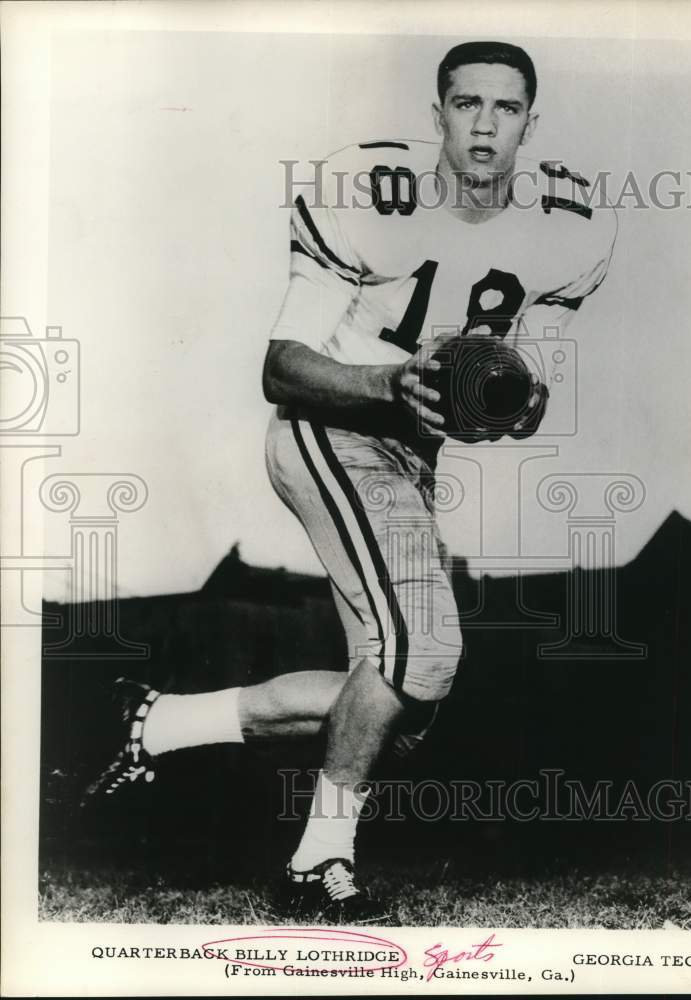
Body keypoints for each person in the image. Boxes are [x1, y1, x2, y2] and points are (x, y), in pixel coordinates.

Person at [85, 40, 617, 924]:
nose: (484, 124)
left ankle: (161, 724)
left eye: (506, 107)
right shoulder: (369, 194)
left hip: (408, 456)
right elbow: (282, 367)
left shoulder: (572, 224)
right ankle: (317, 859)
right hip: (330, 427)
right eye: (466, 103)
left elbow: (528, 372)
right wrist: (386, 382)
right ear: (435, 113)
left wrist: (517, 398)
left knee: (399, 712)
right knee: (428, 653)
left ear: (532, 120)